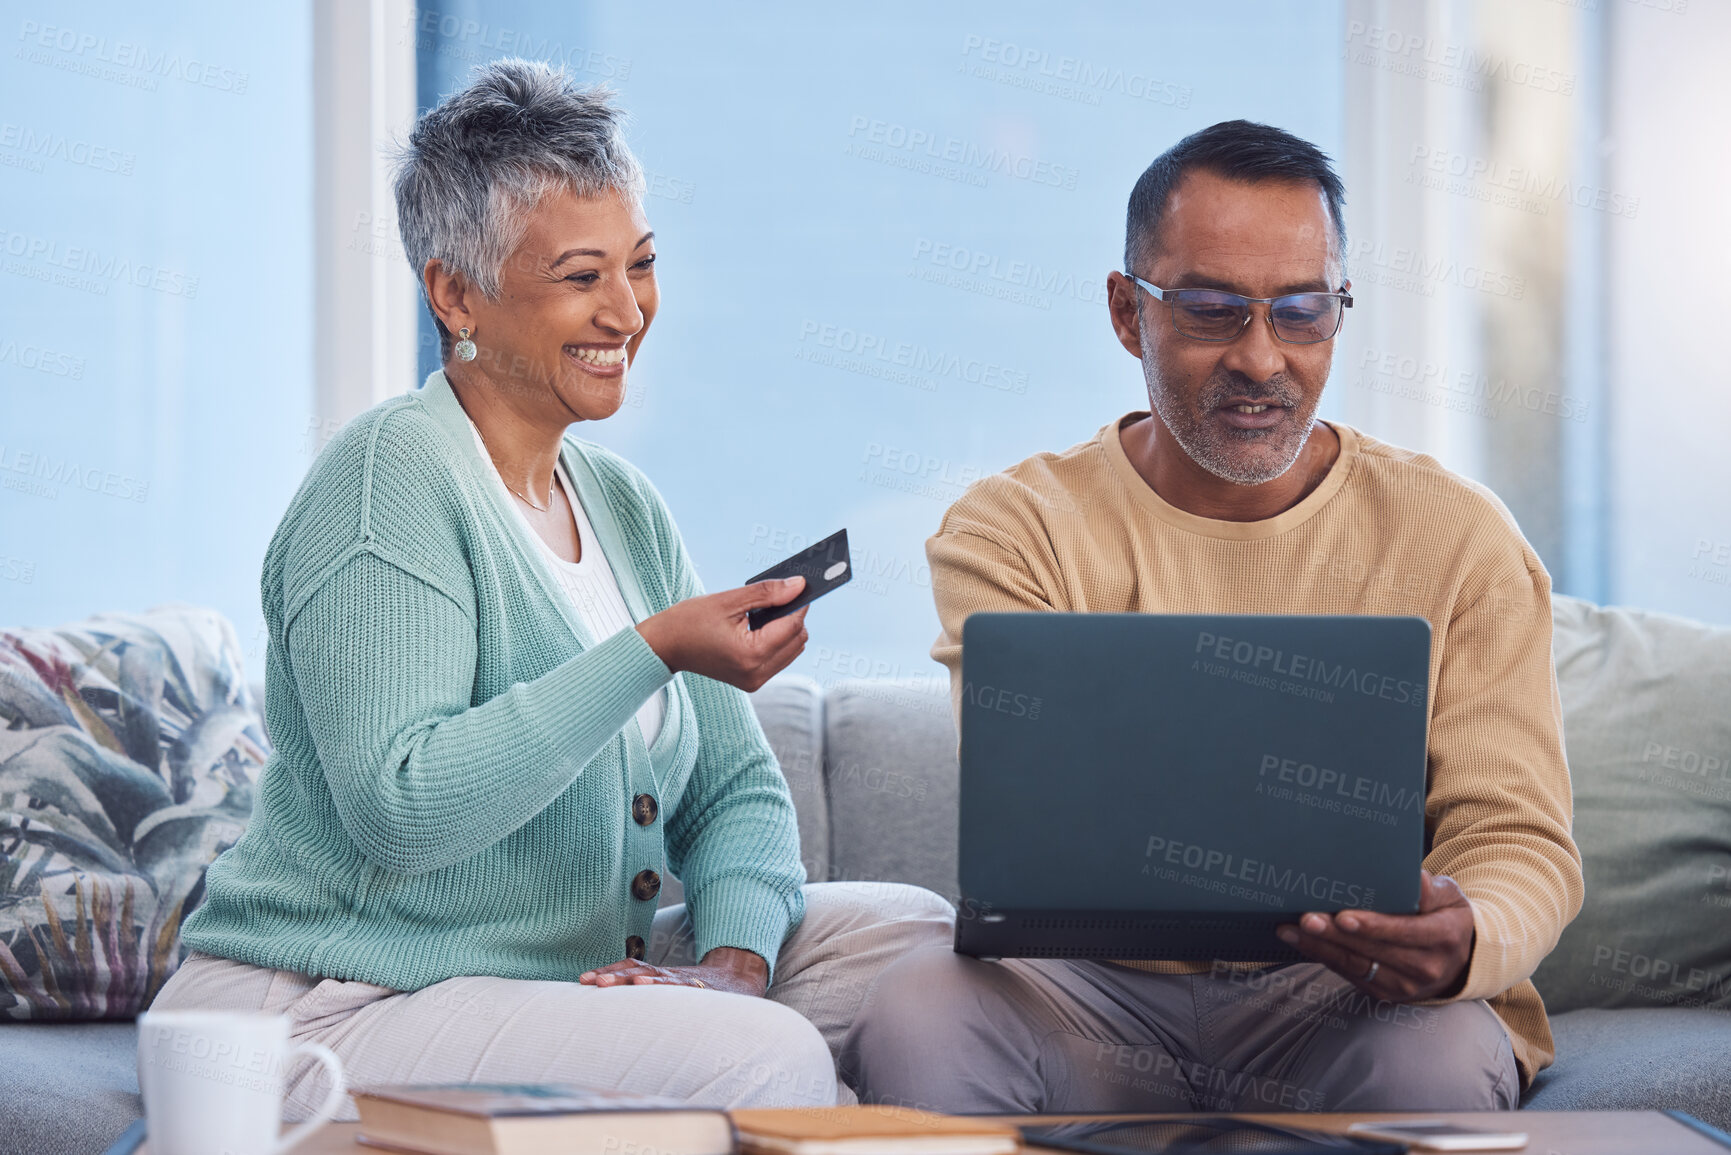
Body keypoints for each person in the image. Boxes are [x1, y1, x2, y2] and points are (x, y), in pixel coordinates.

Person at [151, 59, 952, 1115]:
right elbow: (403, 806)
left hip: (539, 983)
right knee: (767, 1064)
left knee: (914, 942)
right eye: (582, 277)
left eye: (642, 264)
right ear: (454, 291)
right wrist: (650, 651)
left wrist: (729, 971)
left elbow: (736, 792)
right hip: (335, 1003)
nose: (627, 311)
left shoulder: (619, 503)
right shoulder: (389, 479)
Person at [840, 120, 1582, 1113]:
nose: (1263, 359)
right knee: (918, 1010)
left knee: (1434, 1060)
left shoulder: (1459, 538)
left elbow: (1518, 837)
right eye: (1211, 311)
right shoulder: (1015, 530)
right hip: (1092, 999)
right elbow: (1043, 814)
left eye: (1302, 311)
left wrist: (1471, 935)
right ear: (1124, 312)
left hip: (1355, 1001)